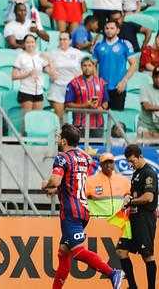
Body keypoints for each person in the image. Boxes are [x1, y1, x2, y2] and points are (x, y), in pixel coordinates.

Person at [41, 124, 124, 289]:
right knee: (63, 253)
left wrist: (46, 184)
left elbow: (57, 180)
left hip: (71, 212)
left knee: (78, 252)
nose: (57, 140)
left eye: (59, 137)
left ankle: (112, 273)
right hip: (84, 209)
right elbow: (74, 180)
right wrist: (58, 189)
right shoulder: (85, 158)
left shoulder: (62, 157)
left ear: (64, 141)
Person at [117, 144, 159, 289]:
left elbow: (148, 197)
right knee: (121, 251)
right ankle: (133, 286)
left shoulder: (149, 173)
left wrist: (131, 201)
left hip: (144, 218)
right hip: (132, 218)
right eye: (129, 162)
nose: (131, 164)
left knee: (147, 255)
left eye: (132, 161)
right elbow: (134, 194)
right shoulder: (136, 173)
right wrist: (128, 197)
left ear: (140, 156)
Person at [94, 20, 138, 112]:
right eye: (107, 28)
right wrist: (97, 83)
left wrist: (124, 81)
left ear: (117, 30)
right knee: (101, 117)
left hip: (119, 87)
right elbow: (92, 65)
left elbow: (134, 64)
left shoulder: (125, 44)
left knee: (116, 119)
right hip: (102, 88)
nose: (109, 30)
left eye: (112, 28)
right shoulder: (98, 45)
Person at [12, 34, 54, 116]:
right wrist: (28, 73)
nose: (30, 44)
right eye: (27, 42)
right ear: (24, 44)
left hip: (39, 91)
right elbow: (14, 76)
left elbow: (48, 71)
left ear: (36, 43)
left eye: (32, 42)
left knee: (37, 119)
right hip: (26, 91)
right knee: (27, 119)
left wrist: (49, 60)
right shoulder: (20, 56)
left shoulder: (40, 55)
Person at [47, 32, 84, 120]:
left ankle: (73, 133)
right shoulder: (52, 53)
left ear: (70, 41)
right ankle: (59, 134)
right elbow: (42, 62)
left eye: (65, 39)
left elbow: (87, 66)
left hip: (73, 88)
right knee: (60, 118)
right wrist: (50, 71)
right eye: (60, 39)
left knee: (78, 118)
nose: (62, 41)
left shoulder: (77, 53)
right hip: (57, 88)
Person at [86, 152, 132, 217]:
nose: (108, 165)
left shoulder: (123, 180)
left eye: (110, 162)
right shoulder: (90, 181)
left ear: (114, 164)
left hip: (117, 221)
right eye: (105, 163)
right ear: (100, 164)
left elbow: (131, 196)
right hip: (98, 222)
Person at [139, 67, 159, 137]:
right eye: (156, 77)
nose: (158, 80)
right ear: (152, 77)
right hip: (146, 126)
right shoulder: (145, 87)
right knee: (143, 132)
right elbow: (146, 106)